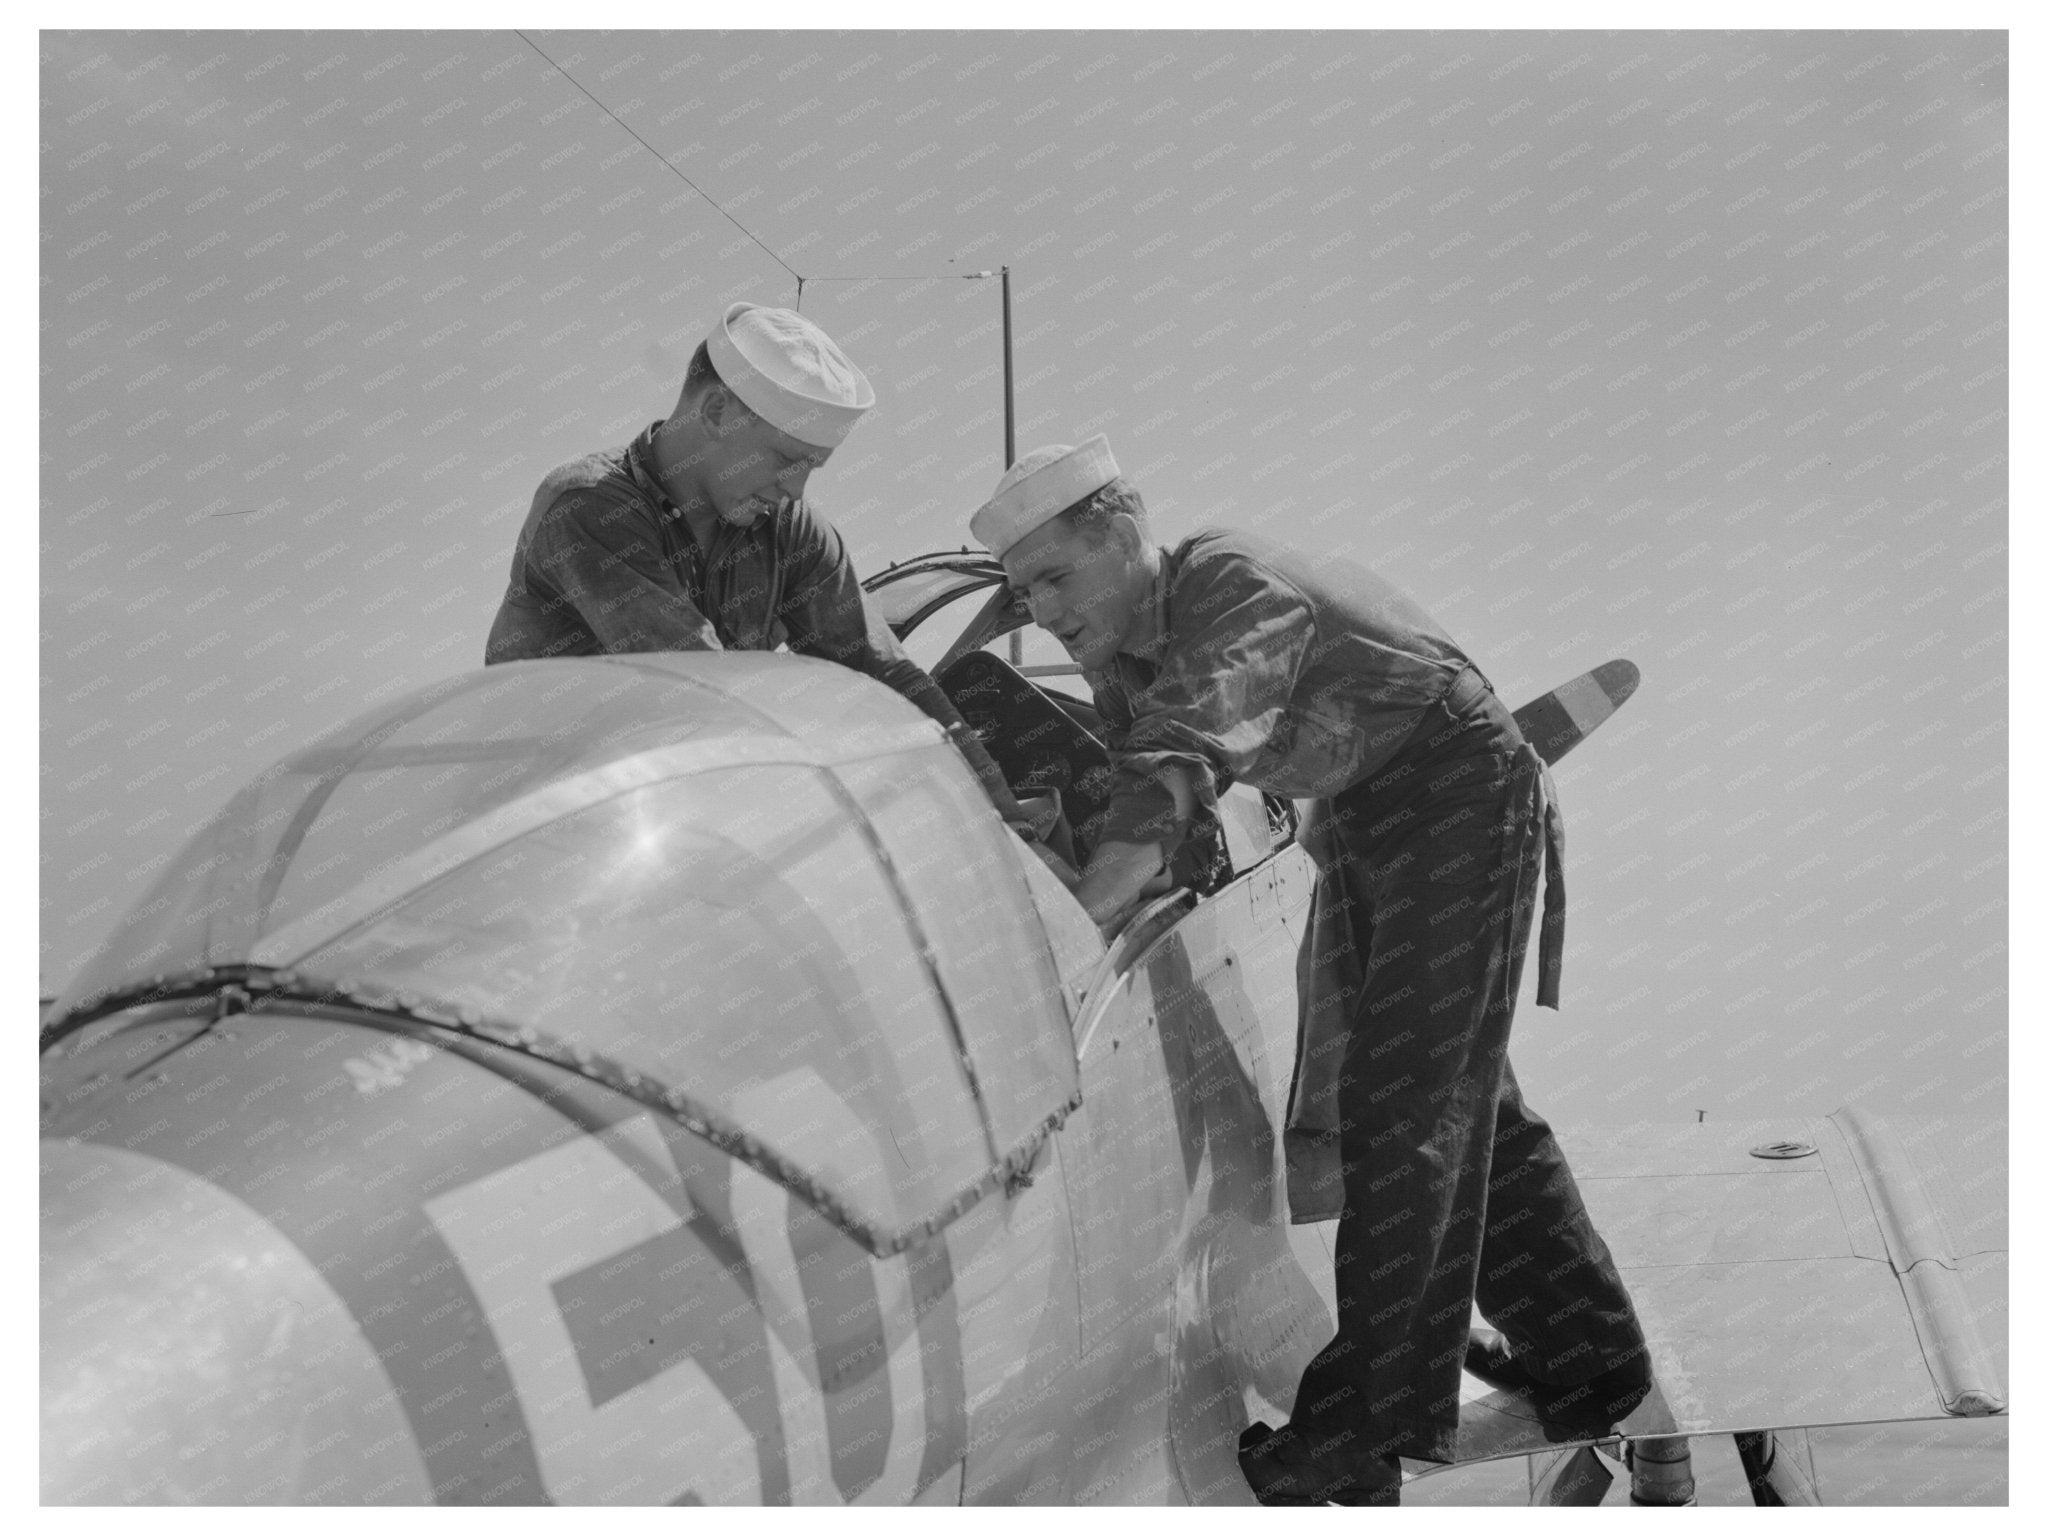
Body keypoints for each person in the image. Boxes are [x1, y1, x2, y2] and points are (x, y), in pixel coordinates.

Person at [969, 437, 1652, 1504]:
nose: (1045, 611)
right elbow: (1160, 821)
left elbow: (1169, 780)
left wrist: (1060, 943)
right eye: (1022, 594)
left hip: (1458, 783)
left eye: (1055, 576)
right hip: (1369, 809)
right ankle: (1591, 1364)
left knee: (1406, 1101)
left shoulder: (1229, 588)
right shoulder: (1120, 657)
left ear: (1118, 528)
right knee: (1467, 1098)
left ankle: (1356, 1433)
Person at [485, 301, 1038, 841]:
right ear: (716, 412)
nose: (795, 489)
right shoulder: (591, 506)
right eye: (784, 459)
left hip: (670, 824)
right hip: (535, 831)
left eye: (812, 468)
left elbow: (888, 677)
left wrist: (1004, 824)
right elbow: (703, 688)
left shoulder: (791, 529)